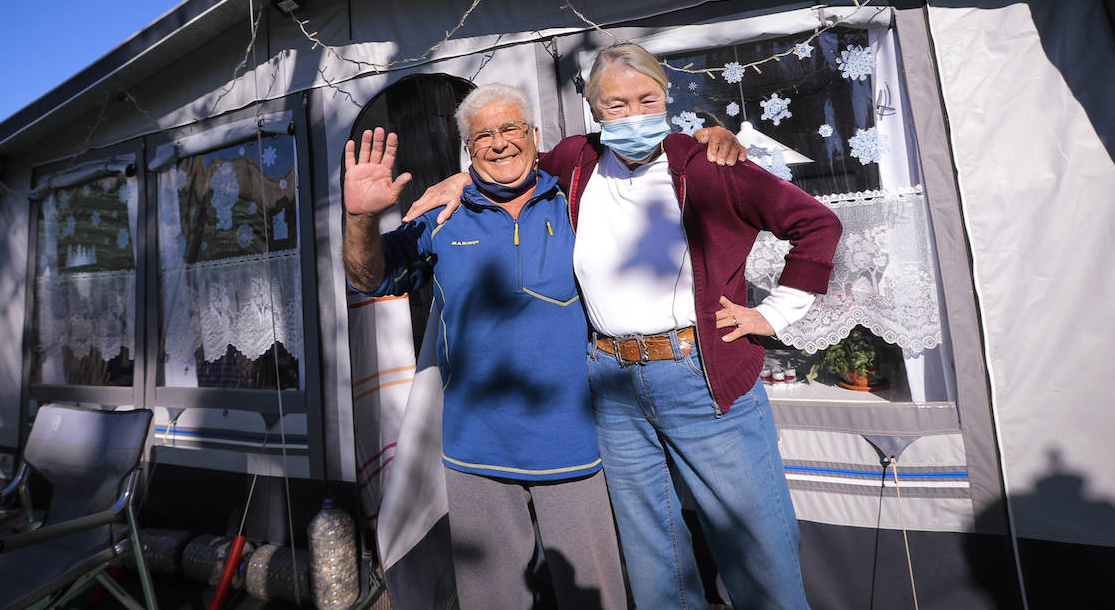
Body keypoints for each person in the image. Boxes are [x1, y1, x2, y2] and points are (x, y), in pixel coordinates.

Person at [411, 44, 843, 610]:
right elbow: (506, 157)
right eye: (616, 104)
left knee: (758, 551)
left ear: (667, 100)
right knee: (654, 562)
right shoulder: (577, 161)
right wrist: (457, 182)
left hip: (702, 379)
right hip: (612, 386)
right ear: (594, 110)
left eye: (648, 100)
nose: (633, 115)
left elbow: (817, 225)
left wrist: (774, 313)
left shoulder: (709, 166)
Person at [342, 83, 627, 610]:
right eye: (483, 136)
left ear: (535, 136)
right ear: (468, 151)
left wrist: (706, 137)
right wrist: (360, 217)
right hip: (475, 451)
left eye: (511, 128)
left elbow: (646, 163)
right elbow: (369, 279)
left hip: (577, 446)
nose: (499, 143)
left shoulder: (578, 199)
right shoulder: (443, 215)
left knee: (595, 598)